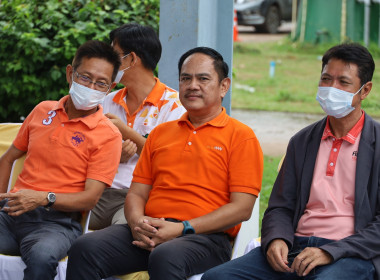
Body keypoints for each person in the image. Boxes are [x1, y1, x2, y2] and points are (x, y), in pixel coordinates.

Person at [66, 46, 264, 280]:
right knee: (85, 248)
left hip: (205, 237)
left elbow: (241, 208)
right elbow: (137, 194)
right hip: (150, 229)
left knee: (165, 255)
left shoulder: (241, 137)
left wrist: (183, 228)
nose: (192, 85)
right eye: (185, 78)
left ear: (224, 86)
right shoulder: (161, 134)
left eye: (203, 79)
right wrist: (138, 223)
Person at [202, 43, 380, 280]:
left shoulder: (376, 143)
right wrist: (277, 239)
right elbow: (280, 206)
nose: (331, 88)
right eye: (326, 79)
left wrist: (331, 251)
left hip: (350, 253)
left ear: (365, 90)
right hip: (296, 247)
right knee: (217, 278)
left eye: (343, 82)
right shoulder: (302, 141)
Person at [0, 40, 122, 280]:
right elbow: (8, 159)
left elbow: (90, 198)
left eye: (101, 83)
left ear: (111, 87)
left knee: (41, 260)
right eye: (85, 78)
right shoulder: (43, 111)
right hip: (12, 212)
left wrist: (43, 198)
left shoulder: (108, 135)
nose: (91, 87)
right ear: (70, 73)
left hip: (58, 224)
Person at [89, 23, 186, 230]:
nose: (108, 63)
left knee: (116, 238)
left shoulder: (174, 106)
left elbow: (168, 161)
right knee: (59, 223)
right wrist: (113, 155)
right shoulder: (106, 101)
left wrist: (127, 133)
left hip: (143, 198)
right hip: (98, 193)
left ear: (131, 59)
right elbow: (85, 151)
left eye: (113, 55)